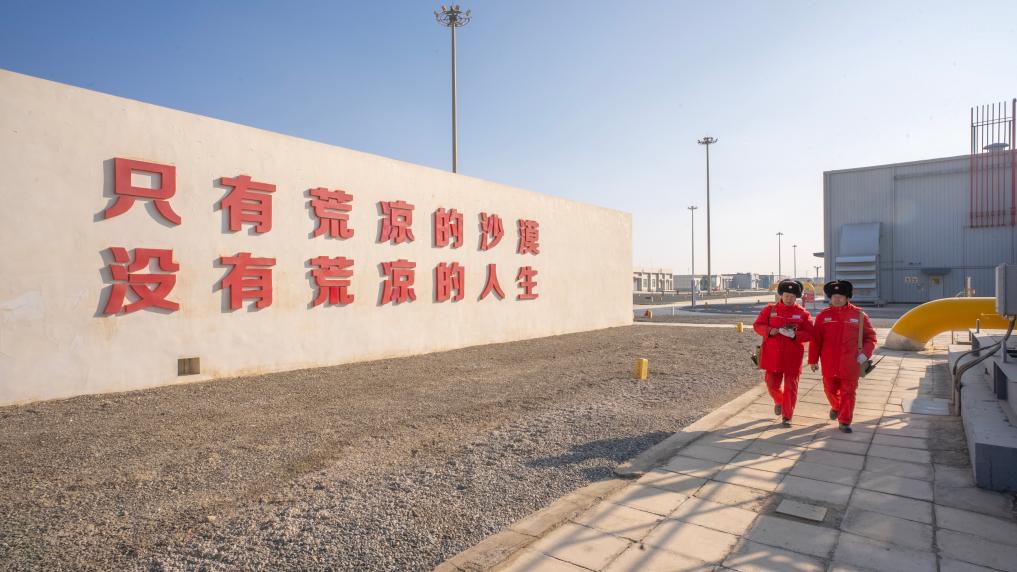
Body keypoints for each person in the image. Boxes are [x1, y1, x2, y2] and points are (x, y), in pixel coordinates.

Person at [808, 280, 877, 433]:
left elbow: (871, 338)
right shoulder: (823, 316)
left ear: (847, 298)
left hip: (851, 363)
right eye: (834, 296)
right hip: (829, 362)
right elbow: (816, 340)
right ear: (830, 297)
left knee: (848, 392)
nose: (837, 299)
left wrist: (864, 354)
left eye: (840, 296)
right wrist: (813, 360)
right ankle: (836, 406)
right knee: (829, 390)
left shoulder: (860, 315)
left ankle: (845, 421)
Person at [753, 279, 813, 428]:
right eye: (786, 295)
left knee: (791, 388)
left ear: (796, 297)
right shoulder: (769, 310)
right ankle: (780, 401)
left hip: (792, 358)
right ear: (781, 295)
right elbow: (757, 325)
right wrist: (769, 330)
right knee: (771, 384)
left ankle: (787, 416)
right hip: (772, 356)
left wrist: (795, 335)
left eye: (792, 296)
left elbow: (810, 334)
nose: (789, 298)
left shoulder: (803, 314)